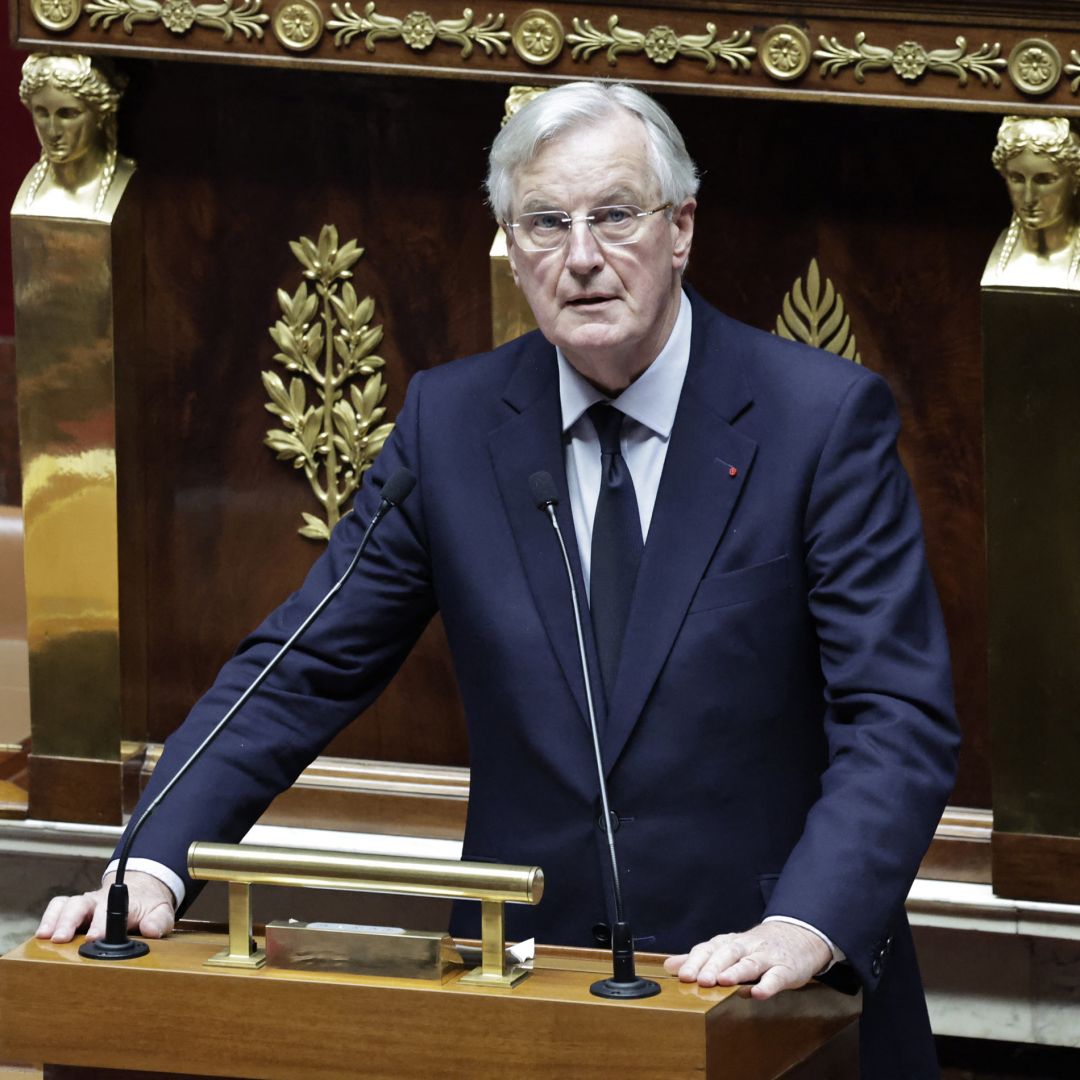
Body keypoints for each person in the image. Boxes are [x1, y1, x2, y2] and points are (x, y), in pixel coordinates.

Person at [38, 81, 958, 1077]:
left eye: (614, 216)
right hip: (529, 997)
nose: (582, 257)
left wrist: (808, 923)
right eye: (545, 224)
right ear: (512, 249)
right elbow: (296, 670)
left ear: (682, 227)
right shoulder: (454, 424)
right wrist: (155, 858)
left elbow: (897, 717)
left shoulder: (817, 421)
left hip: (779, 999)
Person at [16, 53, 134, 220]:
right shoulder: (28, 194)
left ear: (101, 115)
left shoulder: (125, 182)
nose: (52, 131)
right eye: (41, 113)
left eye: (67, 114)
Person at [983, 115, 1080, 290]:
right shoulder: (999, 263)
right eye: (1017, 178)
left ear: (1075, 181)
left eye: (1044, 180)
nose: (1029, 198)